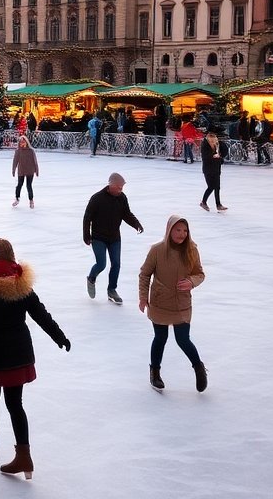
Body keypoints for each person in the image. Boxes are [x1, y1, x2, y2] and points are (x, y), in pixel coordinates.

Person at [0, 237, 69, 479]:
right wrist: (59, 336)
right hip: (18, 353)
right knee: (15, 404)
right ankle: (24, 457)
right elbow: (41, 314)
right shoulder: (22, 285)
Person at [138, 216, 208, 392]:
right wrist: (143, 297)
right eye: (178, 230)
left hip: (181, 303)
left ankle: (199, 368)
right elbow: (145, 274)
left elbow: (199, 274)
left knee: (183, 339)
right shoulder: (157, 250)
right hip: (160, 302)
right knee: (160, 338)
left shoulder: (192, 250)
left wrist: (191, 282)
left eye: (185, 230)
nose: (182, 234)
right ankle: (155, 373)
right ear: (169, 230)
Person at [82, 172, 144, 304]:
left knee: (116, 264)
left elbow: (126, 214)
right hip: (98, 238)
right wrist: (86, 235)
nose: (121, 190)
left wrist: (136, 224)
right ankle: (91, 278)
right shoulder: (97, 198)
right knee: (101, 264)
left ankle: (112, 290)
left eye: (122, 187)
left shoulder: (122, 198)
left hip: (115, 238)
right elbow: (87, 217)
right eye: (119, 187)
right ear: (111, 185)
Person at [199, 131, 227, 212]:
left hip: (216, 168)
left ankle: (218, 205)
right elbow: (205, 156)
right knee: (211, 187)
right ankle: (203, 202)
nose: (214, 142)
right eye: (212, 141)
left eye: (215, 140)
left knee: (217, 187)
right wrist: (213, 156)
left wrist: (220, 156)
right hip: (208, 170)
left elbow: (223, 152)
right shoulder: (205, 146)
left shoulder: (217, 145)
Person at [11, 135, 40, 208]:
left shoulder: (31, 151)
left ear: (26, 142)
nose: (22, 144)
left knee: (28, 185)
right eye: (20, 142)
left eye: (23, 142)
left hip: (30, 170)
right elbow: (15, 161)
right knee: (19, 184)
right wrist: (13, 170)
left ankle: (31, 200)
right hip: (21, 170)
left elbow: (35, 161)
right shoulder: (18, 151)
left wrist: (36, 170)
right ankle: (17, 199)